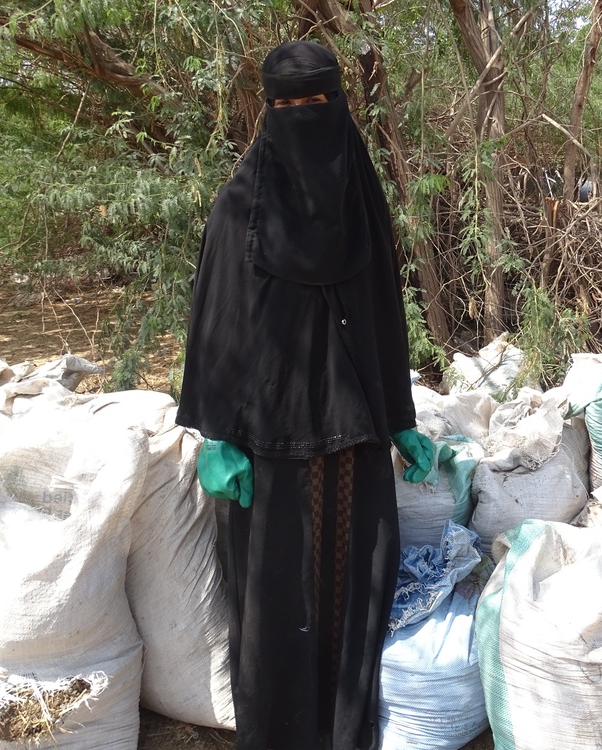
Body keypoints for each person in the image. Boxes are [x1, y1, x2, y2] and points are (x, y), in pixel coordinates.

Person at [175, 40, 434, 750]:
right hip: (267, 441)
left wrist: (401, 418)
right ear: (267, 111)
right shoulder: (240, 210)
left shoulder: (359, 199)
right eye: (286, 105)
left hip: (354, 435)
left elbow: (383, 311)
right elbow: (217, 324)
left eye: (314, 103)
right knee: (274, 598)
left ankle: (346, 733)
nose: (301, 118)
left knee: (353, 592)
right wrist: (216, 436)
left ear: (340, 105)